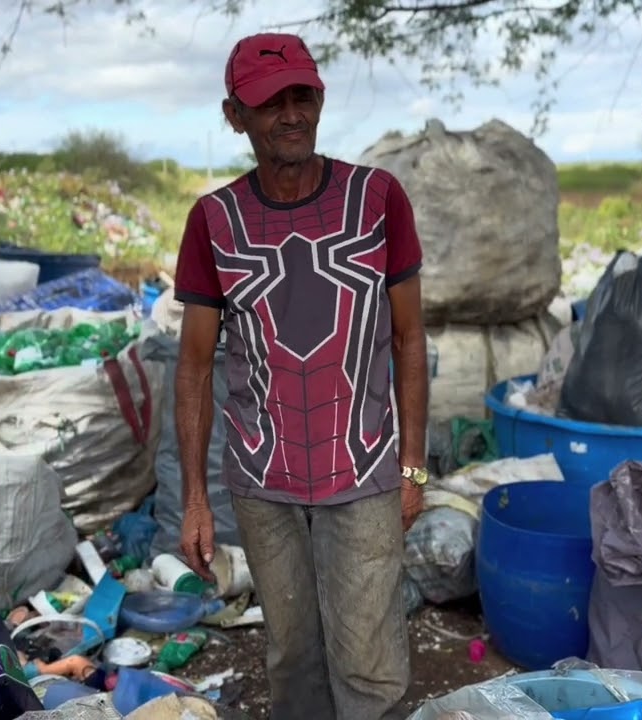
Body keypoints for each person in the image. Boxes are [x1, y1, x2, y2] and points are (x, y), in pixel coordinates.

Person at [171, 31, 431, 720]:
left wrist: (413, 468)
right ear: (235, 116)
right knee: (291, 653)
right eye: (269, 103)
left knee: (370, 660)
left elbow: (408, 339)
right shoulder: (214, 221)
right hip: (264, 478)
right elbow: (195, 367)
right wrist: (196, 499)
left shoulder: (377, 199)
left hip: (365, 467)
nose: (291, 114)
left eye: (303, 96)